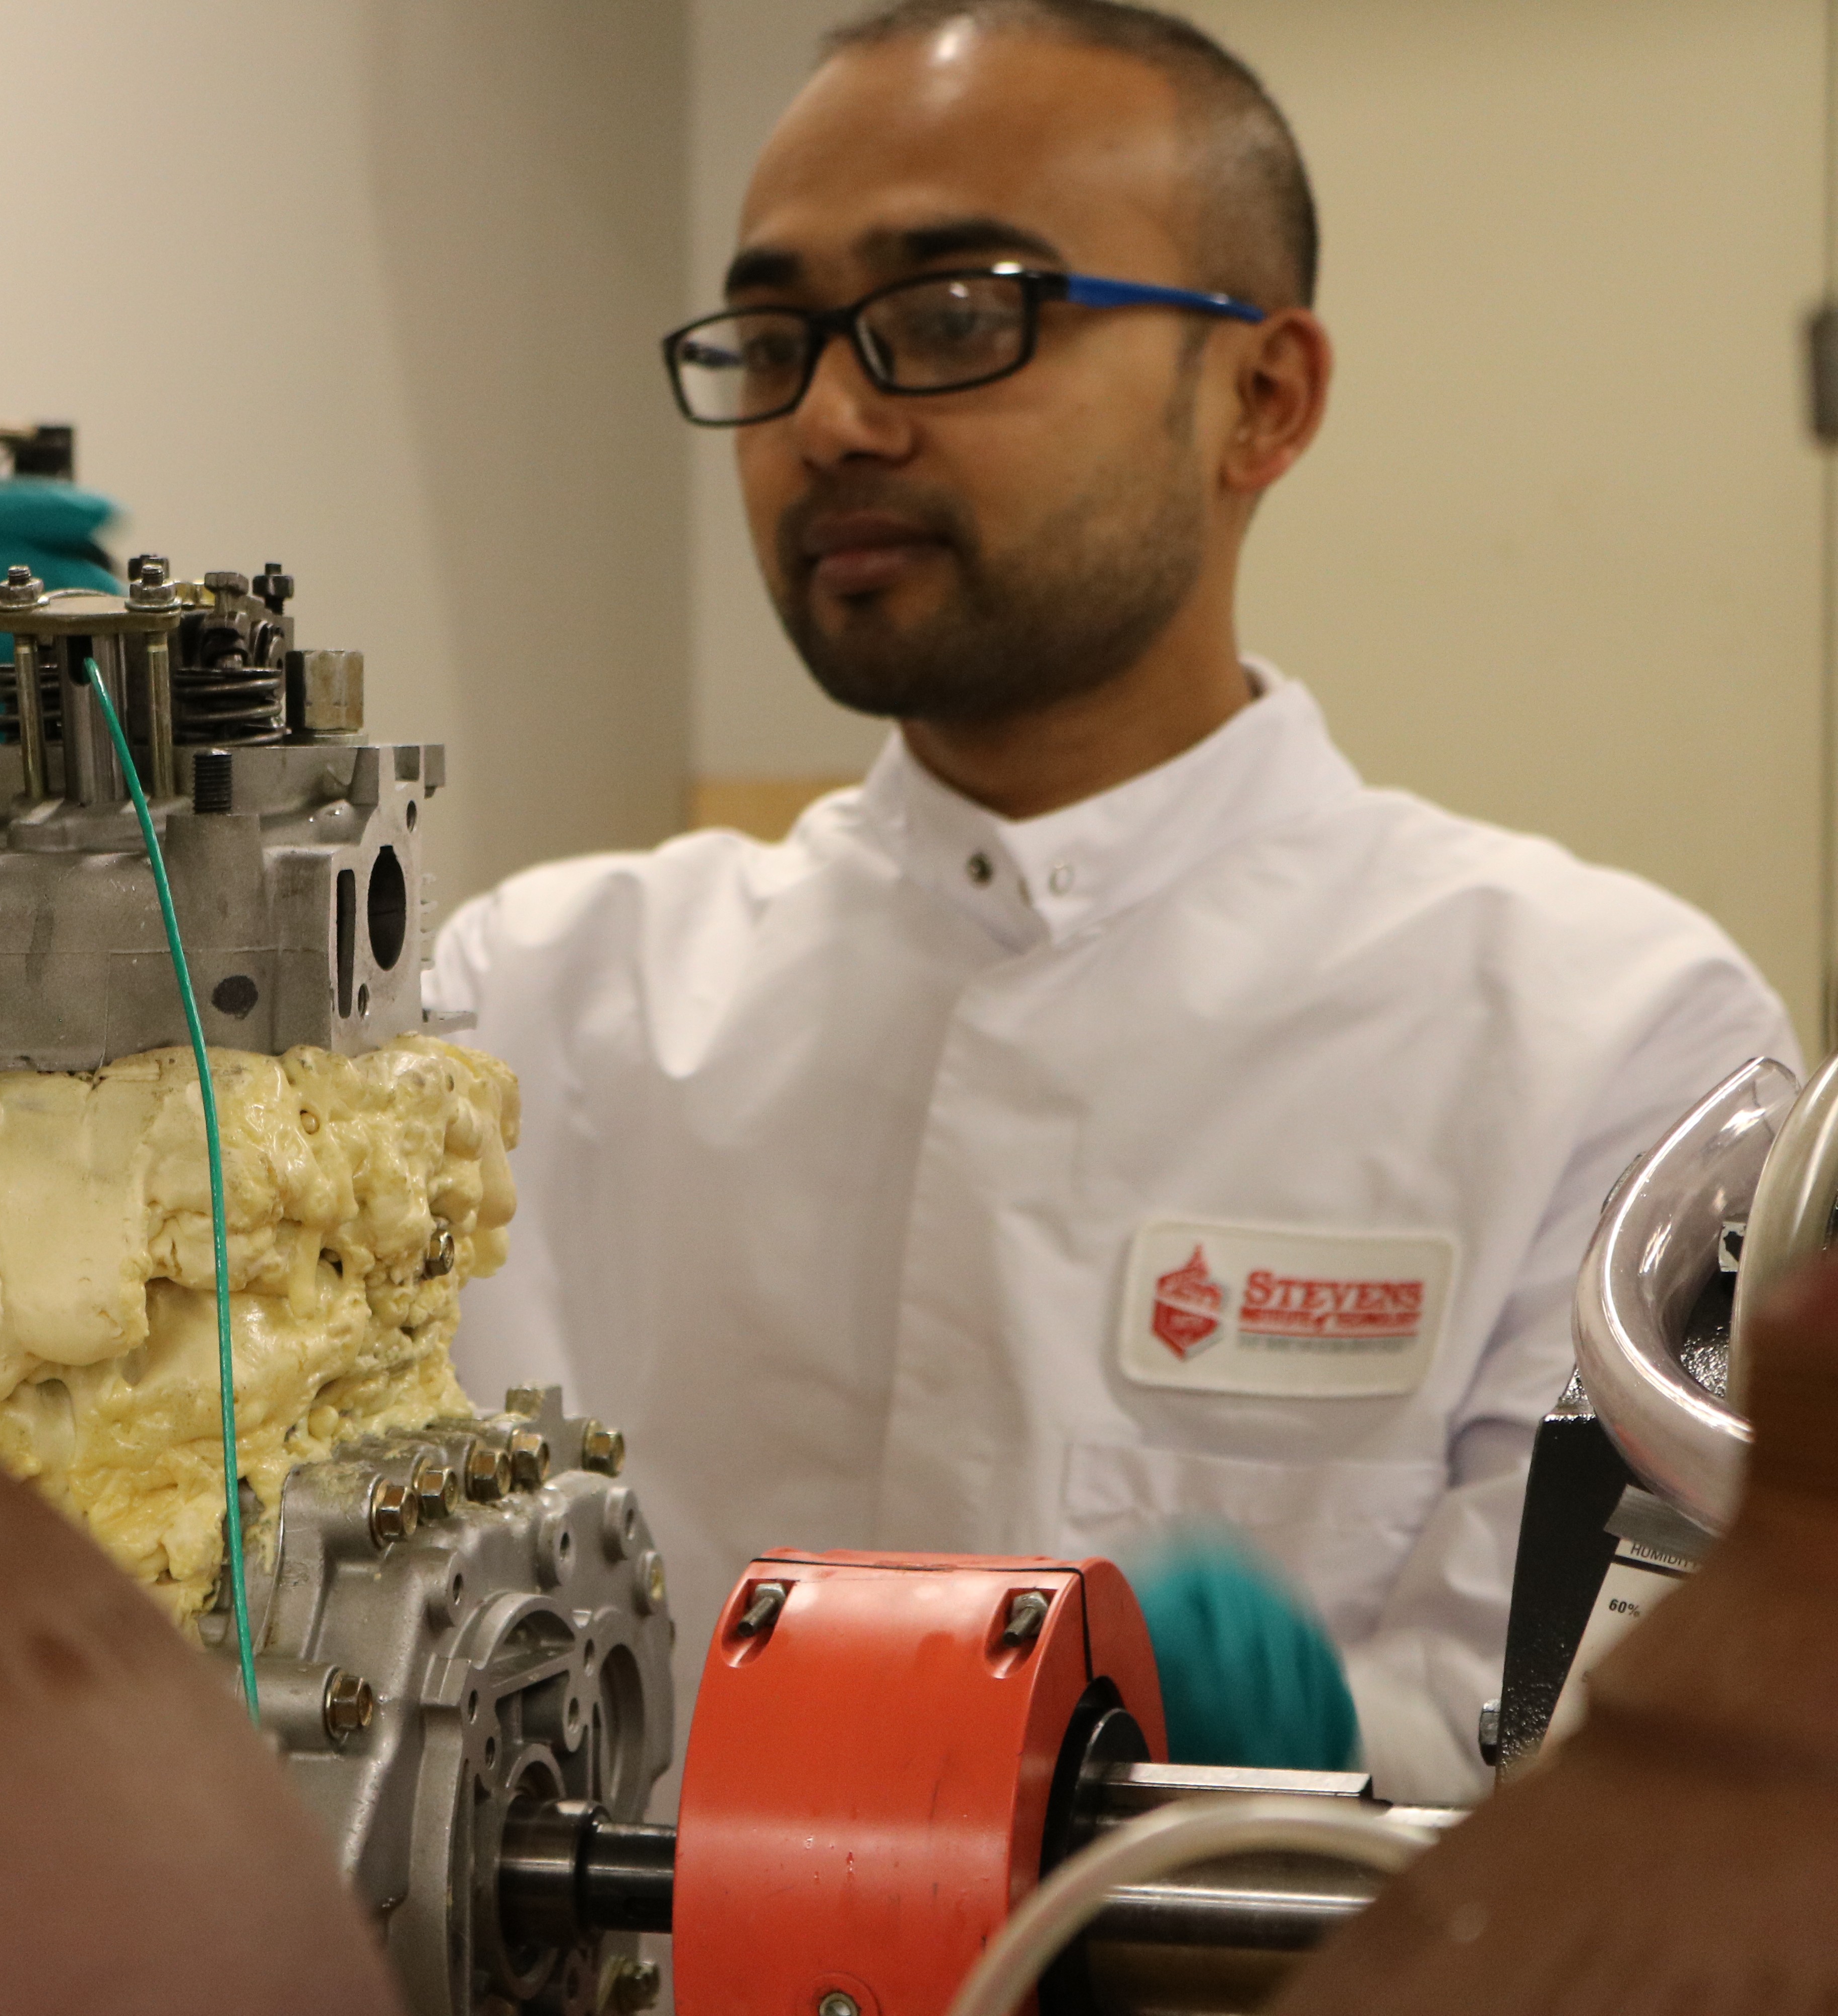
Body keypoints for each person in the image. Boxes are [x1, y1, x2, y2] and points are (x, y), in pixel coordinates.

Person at [424, 0, 1794, 1803]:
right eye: (773, 336)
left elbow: (1616, 1764)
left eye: (954, 316)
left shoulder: (1614, 1043)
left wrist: (1312, 1753)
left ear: (1264, 398)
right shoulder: (537, 999)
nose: (829, 416)